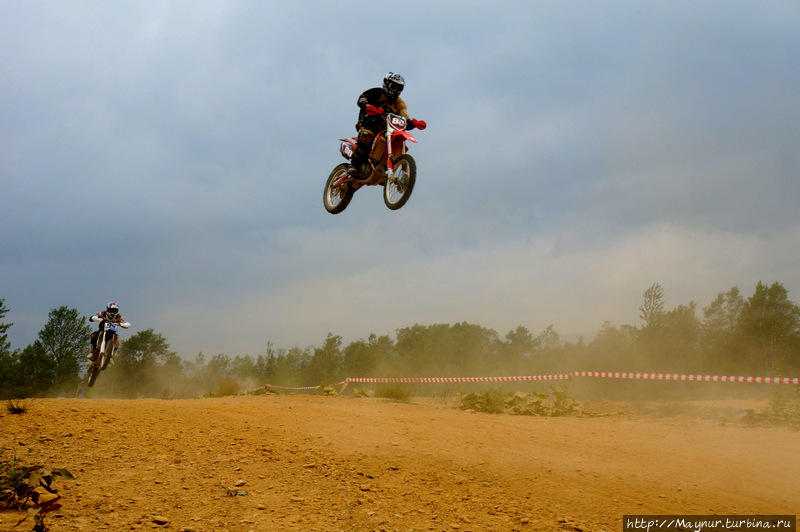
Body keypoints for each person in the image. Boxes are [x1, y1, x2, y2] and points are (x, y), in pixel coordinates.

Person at [347, 72, 427, 178]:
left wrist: (414, 123)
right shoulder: (377, 92)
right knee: (367, 135)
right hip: (367, 122)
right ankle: (355, 164)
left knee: (398, 140)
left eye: (399, 88)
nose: (396, 90)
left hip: (386, 128)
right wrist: (367, 105)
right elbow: (361, 98)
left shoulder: (399, 103)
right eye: (394, 86)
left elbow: (404, 120)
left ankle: (397, 171)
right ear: (386, 84)